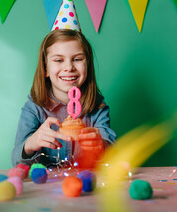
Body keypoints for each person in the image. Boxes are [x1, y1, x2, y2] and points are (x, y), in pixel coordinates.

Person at [11, 29, 116, 168]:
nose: (69, 67)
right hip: (46, 186)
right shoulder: (34, 108)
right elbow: (16, 161)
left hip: (87, 184)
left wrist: (101, 145)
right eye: (59, 60)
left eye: (77, 59)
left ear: (88, 66)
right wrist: (30, 144)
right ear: (46, 68)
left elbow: (113, 153)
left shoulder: (98, 107)